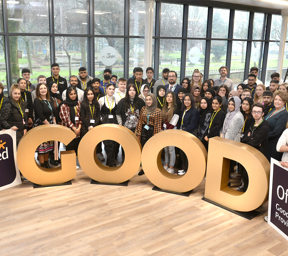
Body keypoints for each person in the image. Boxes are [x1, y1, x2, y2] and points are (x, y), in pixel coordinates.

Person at [240, 103, 269, 192]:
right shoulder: (253, 123)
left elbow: (254, 143)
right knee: (244, 173)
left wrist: (250, 138)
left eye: (258, 112)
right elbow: (243, 138)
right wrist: (249, 138)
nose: (256, 114)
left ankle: (250, 192)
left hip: (258, 155)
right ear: (252, 113)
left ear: (262, 114)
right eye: (254, 112)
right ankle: (245, 189)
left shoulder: (264, 126)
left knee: (252, 175)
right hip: (249, 153)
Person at [135, 93, 162, 175]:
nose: (148, 101)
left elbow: (158, 124)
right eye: (146, 100)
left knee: (151, 150)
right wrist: (138, 133)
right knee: (144, 149)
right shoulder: (143, 109)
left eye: (150, 99)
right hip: (144, 130)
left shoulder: (158, 111)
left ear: (153, 100)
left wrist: (155, 137)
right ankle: (144, 168)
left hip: (152, 131)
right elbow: (139, 121)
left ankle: (152, 168)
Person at [33, 83, 56, 169]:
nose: (43, 90)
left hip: (50, 126)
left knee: (48, 147)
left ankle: (47, 163)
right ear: (38, 91)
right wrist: (48, 125)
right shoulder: (37, 100)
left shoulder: (50, 100)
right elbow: (40, 115)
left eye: (44, 88)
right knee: (42, 147)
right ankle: (42, 166)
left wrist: (54, 122)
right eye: (41, 88)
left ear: (47, 89)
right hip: (41, 126)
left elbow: (53, 112)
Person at [177, 93, 200, 175]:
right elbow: (180, 122)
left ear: (192, 101)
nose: (186, 101)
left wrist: (184, 132)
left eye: (188, 100)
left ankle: (187, 169)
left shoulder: (195, 111)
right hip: (182, 133)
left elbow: (193, 124)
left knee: (188, 152)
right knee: (182, 151)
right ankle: (184, 168)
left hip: (189, 134)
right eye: (185, 100)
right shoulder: (183, 110)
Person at [98, 83, 118, 167]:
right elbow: (98, 112)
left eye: (113, 89)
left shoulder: (116, 99)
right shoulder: (101, 100)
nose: (111, 91)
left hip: (115, 124)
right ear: (106, 89)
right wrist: (101, 121)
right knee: (107, 143)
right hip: (105, 124)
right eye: (110, 89)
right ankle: (111, 163)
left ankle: (111, 161)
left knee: (115, 143)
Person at [265, 90, 288, 161]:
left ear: (284, 102)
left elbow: (276, 132)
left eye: (280, 100)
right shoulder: (273, 109)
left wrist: (262, 137)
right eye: (275, 99)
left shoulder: (284, 114)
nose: (277, 101)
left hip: (273, 145)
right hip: (266, 142)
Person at [59, 87, 82, 157]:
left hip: (78, 130)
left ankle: (78, 165)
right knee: (70, 149)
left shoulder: (78, 103)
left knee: (78, 149)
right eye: (71, 94)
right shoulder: (64, 105)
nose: (73, 95)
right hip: (69, 130)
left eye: (74, 93)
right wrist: (74, 129)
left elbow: (81, 116)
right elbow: (66, 120)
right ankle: (70, 166)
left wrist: (79, 129)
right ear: (67, 95)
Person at [161, 92, 180, 174]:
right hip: (164, 131)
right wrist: (162, 129)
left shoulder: (176, 108)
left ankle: (171, 167)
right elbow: (162, 120)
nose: (169, 98)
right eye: (167, 96)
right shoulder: (164, 108)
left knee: (171, 149)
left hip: (171, 131)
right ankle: (166, 164)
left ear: (173, 98)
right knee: (165, 149)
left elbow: (173, 122)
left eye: (171, 96)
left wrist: (167, 130)